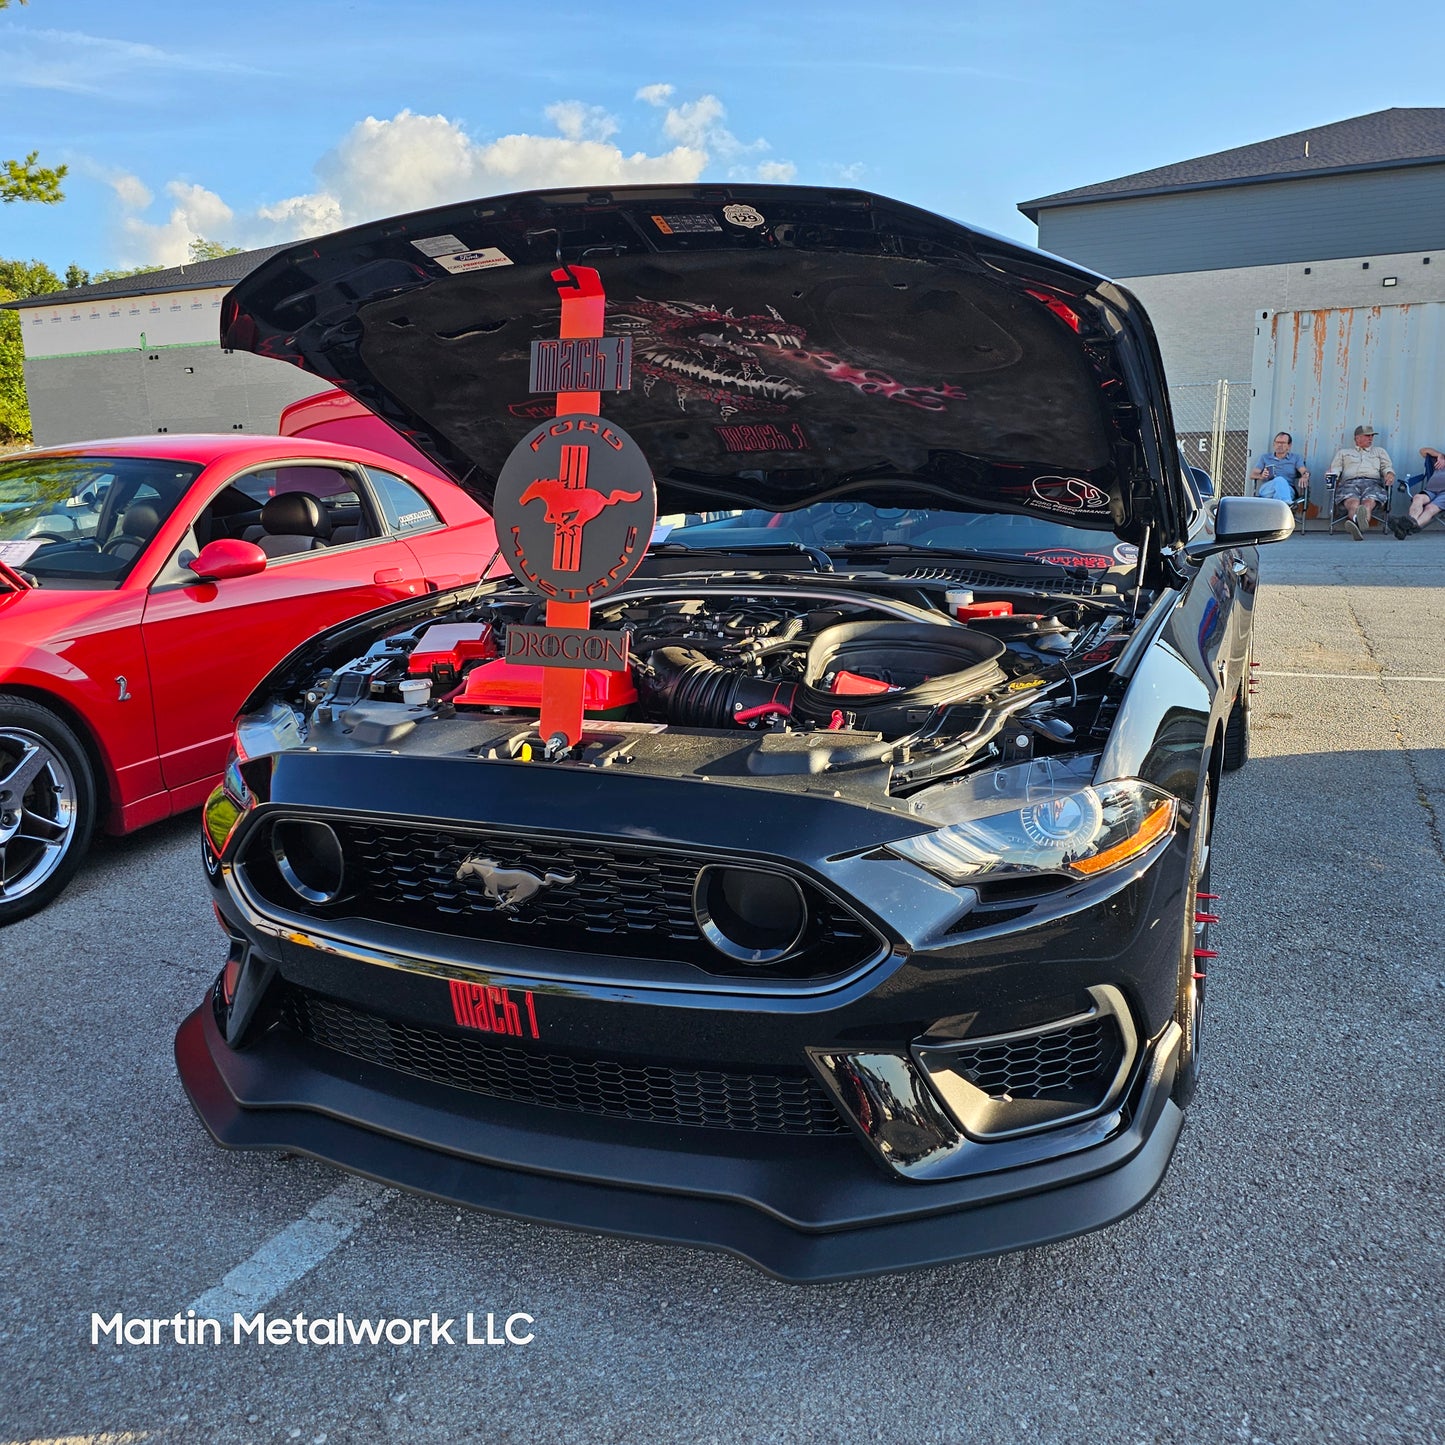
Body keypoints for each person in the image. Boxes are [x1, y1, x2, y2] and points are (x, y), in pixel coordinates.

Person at [1325, 425, 1395, 540]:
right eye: (1367, 436)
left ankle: (1356, 524)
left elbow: (1387, 467)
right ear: (1357, 438)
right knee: (1353, 503)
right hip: (1349, 483)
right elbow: (1335, 468)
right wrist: (1331, 475)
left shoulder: (1379, 451)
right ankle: (1359, 523)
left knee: (1367, 503)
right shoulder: (1344, 453)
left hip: (1372, 483)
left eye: (1372, 436)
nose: (1371, 438)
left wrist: (1390, 474)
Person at [1388, 446, 1445, 538]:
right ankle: (1408, 525)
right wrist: (1440, 455)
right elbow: (1423, 451)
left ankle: (1405, 527)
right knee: (1417, 497)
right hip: (1431, 491)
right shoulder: (1440, 460)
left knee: (1430, 508)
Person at [1250, 432, 1309, 503]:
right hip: (1268, 489)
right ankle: (1286, 505)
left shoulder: (1295, 458)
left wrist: (1304, 476)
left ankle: (1279, 508)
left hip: (1288, 489)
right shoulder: (1265, 457)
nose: (1279, 445)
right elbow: (1253, 475)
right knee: (1279, 480)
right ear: (1274, 444)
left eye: (1283, 443)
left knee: (1279, 491)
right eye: (1277, 442)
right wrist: (1262, 476)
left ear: (1289, 445)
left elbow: (1304, 471)